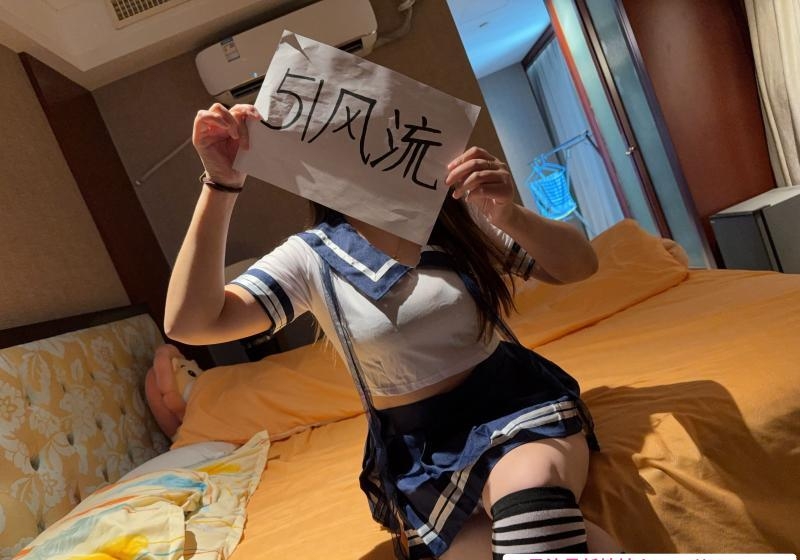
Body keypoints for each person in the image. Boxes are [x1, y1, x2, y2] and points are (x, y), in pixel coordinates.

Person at [165, 103, 621, 559]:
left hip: (511, 410)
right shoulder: (310, 257)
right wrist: (220, 184)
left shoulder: (454, 220)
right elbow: (190, 323)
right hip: (421, 452)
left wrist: (509, 214)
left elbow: (580, 266)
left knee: (531, 499)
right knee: (551, 543)